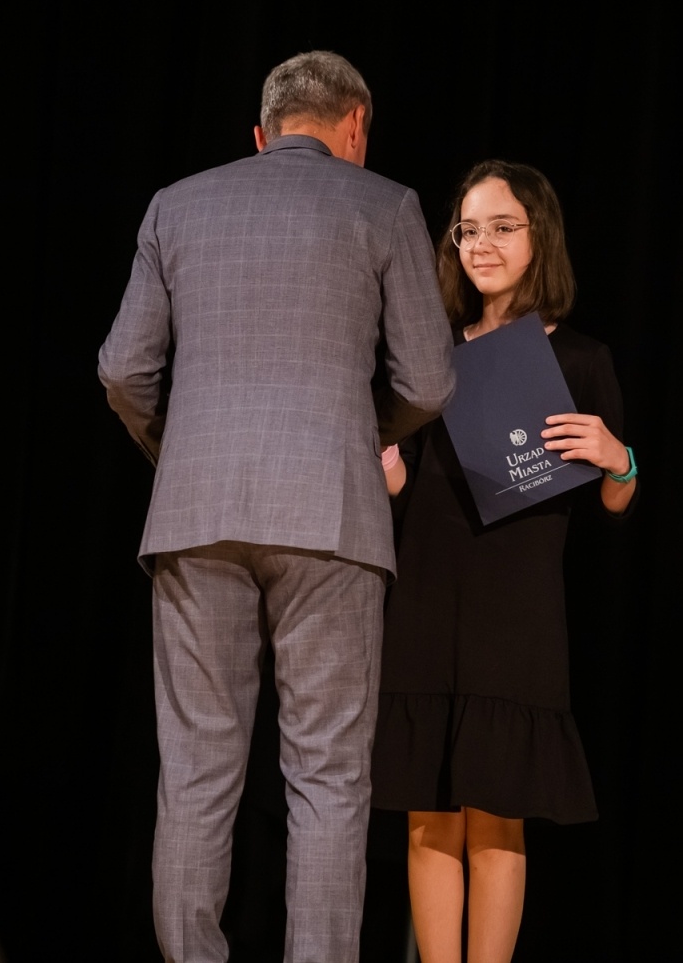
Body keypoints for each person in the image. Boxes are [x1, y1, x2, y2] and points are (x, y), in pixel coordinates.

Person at [98, 50, 456, 963]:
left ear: (261, 135)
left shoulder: (176, 205)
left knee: (196, 773)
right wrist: (350, 431)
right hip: (331, 517)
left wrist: (176, 451)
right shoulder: (385, 204)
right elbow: (428, 378)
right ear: (354, 131)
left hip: (195, 515)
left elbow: (120, 370)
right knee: (329, 779)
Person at [370, 160, 637, 963]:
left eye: (502, 226)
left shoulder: (582, 357)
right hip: (426, 592)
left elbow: (617, 499)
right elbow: (403, 483)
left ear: (538, 236)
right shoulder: (430, 352)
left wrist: (618, 457)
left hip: (517, 607)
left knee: (497, 807)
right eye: (469, 228)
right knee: (428, 809)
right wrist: (382, 461)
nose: (481, 243)